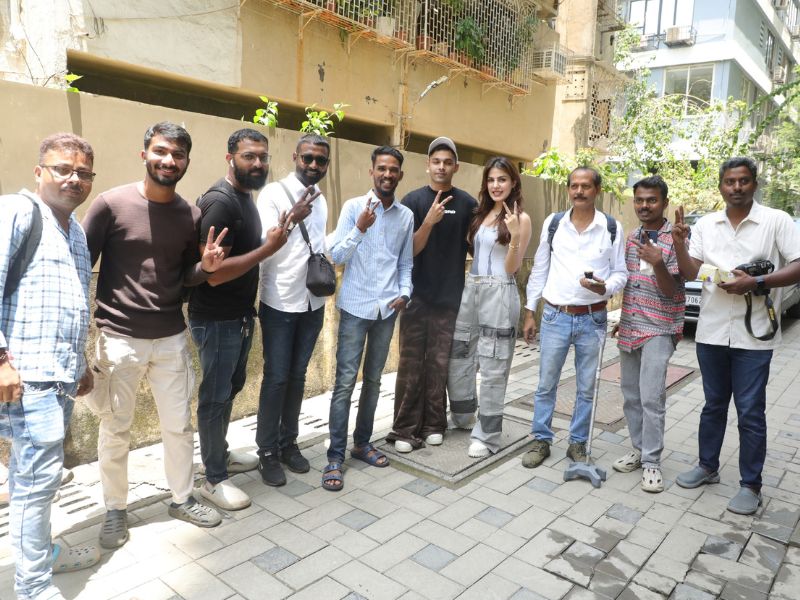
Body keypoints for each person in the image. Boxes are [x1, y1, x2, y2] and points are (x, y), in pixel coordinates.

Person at [83, 122, 226, 550]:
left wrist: (206, 269)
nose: (169, 160)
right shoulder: (109, 205)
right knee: (115, 428)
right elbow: (81, 264)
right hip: (119, 339)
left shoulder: (190, 215)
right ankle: (115, 509)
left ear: (186, 161)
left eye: (178, 154)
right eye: (161, 151)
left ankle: (182, 498)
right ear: (144, 153)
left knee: (178, 426)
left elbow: (185, 275)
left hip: (170, 338)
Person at [0, 133, 100, 599]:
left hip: (57, 377)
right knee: (35, 484)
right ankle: (33, 586)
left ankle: (42, 555)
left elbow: (71, 302)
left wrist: (80, 363)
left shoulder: (75, 230)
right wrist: (1, 361)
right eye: (63, 168)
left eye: (83, 172)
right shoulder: (17, 212)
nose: (73, 178)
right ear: (40, 171)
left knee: (39, 479)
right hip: (27, 377)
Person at [672, 157, 800, 514]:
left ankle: (750, 485)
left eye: (743, 181)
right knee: (713, 405)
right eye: (730, 181)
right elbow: (690, 272)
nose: (737, 187)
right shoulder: (707, 224)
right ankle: (707, 467)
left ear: (754, 184)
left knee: (750, 411)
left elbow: (797, 266)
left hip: (754, 336)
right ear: (721, 186)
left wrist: (756, 281)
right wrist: (680, 243)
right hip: (711, 332)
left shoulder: (776, 220)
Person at [189, 128, 298, 511]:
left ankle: (219, 453)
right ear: (230, 158)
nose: (258, 163)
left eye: (263, 157)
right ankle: (213, 478)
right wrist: (269, 249)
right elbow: (214, 274)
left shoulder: (244, 198)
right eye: (249, 156)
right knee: (214, 398)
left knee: (229, 389)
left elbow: (239, 255)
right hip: (216, 318)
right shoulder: (221, 203)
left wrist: (270, 239)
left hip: (237, 315)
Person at [521, 167, 627, 469]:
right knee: (546, 384)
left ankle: (578, 443)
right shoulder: (554, 224)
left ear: (597, 190)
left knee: (586, 387)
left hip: (593, 319)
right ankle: (541, 439)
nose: (579, 191)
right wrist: (530, 311)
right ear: (568, 189)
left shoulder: (611, 227)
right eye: (574, 186)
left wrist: (605, 287)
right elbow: (540, 268)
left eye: (586, 186)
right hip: (555, 315)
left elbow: (621, 272)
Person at [322, 146, 414, 491]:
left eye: (393, 169)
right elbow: (336, 255)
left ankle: (362, 444)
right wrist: (359, 228)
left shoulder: (405, 216)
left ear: (400, 174)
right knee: (345, 383)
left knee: (374, 381)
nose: (387, 174)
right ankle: (334, 456)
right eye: (382, 168)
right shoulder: (353, 208)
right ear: (372, 171)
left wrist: (406, 292)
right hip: (355, 308)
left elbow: (405, 263)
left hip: (387, 310)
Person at [386, 137, 478, 453]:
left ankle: (434, 424)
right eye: (436, 161)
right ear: (428, 165)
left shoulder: (467, 204)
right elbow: (408, 251)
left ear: (456, 167)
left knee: (439, 364)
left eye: (447, 162)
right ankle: (404, 428)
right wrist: (428, 222)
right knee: (411, 363)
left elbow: (477, 249)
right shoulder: (412, 201)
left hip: (450, 298)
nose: (441, 167)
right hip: (415, 297)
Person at [255, 134, 327, 487]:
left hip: (313, 302)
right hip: (280, 301)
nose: (313, 165)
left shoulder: (321, 198)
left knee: (297, 376)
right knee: (277, 377)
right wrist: (292, 219)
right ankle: (267, 451)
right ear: (295, 157)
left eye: (320, 160)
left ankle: (288, 443)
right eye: (307, 158)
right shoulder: (272, 194)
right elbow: (265, 244)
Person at [447, 157, 532, 458]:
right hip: (471, 287)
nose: (496, 185)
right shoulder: (480, 213)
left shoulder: (520, 219)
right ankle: (462, 416)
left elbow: (511, 268)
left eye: (502, 179)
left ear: (513, 182)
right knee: (459, 352)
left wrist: (515, 236)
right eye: (491, 179)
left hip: (500, 290)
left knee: (494, 363)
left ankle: (487, 435)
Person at [611, 175, 685, 493]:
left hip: (660, 328)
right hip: (631, 326)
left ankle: (652, 462)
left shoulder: (675, 239)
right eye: (639, 200)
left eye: (652, 200)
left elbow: (672, 292)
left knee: (651, 398)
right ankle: (640, 450)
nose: (644, 205)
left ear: (664, 203)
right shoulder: (632, 237)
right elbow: (631, 283)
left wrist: (658, 263)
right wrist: (623, 318)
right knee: (630, 396)